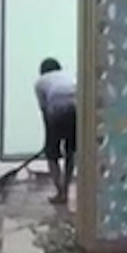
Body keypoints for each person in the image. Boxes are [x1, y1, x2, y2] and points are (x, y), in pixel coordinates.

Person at [33, 57, 77, 205]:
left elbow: (44, 110)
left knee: (52, 155)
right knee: (71, 152)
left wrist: (49, 141)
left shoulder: (40, 82)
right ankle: (66, 188)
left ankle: (60, 192)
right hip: (75, 109)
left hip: (56, 111)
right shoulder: (68, 75)